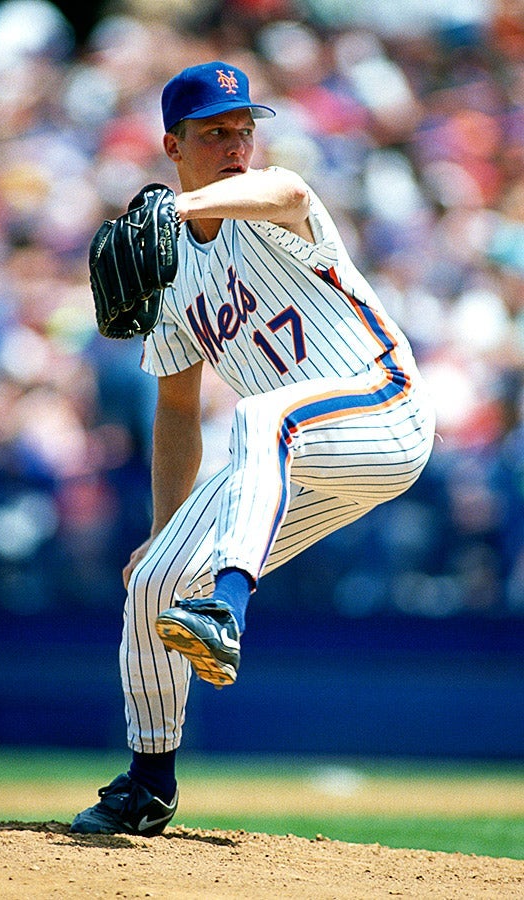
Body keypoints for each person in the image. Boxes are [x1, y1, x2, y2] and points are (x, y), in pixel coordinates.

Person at [70, 60, 436, 835]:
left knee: (264, 417)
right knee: (155, 585)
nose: (238, 145)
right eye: (216, 134)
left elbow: (292, 192)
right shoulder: (169, 274)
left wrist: (181, 206)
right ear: (174, 144)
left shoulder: (268, 203)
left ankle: (227, 609)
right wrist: (165, 532)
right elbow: (175, 409)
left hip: (385, 411)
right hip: (294, 461)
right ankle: (150, 783)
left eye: (245, 130)